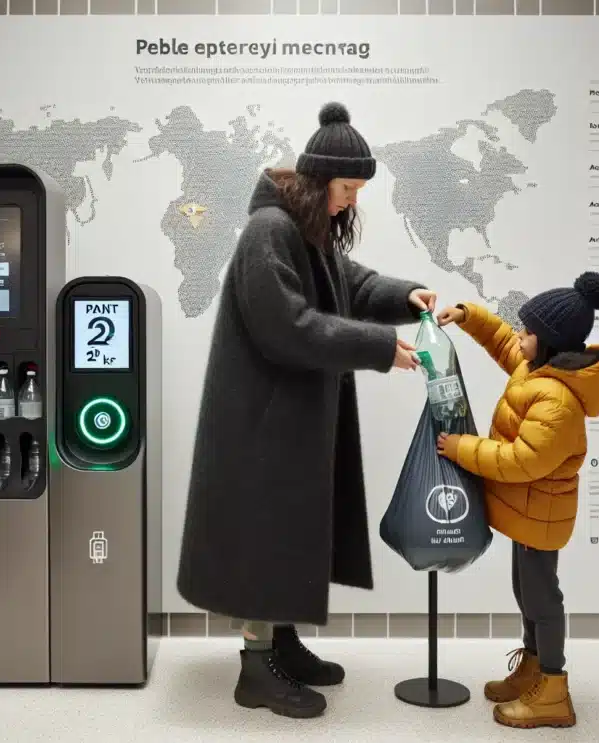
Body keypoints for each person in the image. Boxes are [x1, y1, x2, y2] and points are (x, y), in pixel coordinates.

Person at [175, 102, 437, 719]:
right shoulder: (270, 231)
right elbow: (288, 328)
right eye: (347, 189)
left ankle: (283, 645)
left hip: (283, 421)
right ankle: (254, 672)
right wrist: (380, 348)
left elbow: (353, 284)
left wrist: (407, 296)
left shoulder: (303, 230)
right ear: (320, 181)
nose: (351, 202)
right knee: (264, 539)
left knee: (287, 536)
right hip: (260, 425)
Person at [433, 272, 599, 730]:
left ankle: (553, 692)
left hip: (541, 511)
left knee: (541, 598)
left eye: (528, 331)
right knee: (526, 591)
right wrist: (469, 316)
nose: (520, 335)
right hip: (529, 511)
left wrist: (461, 448)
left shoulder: (557, 400)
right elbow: (503, 343)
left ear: (550, 342)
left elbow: (521, 461)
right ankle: (534, 672)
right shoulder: (537, 367)